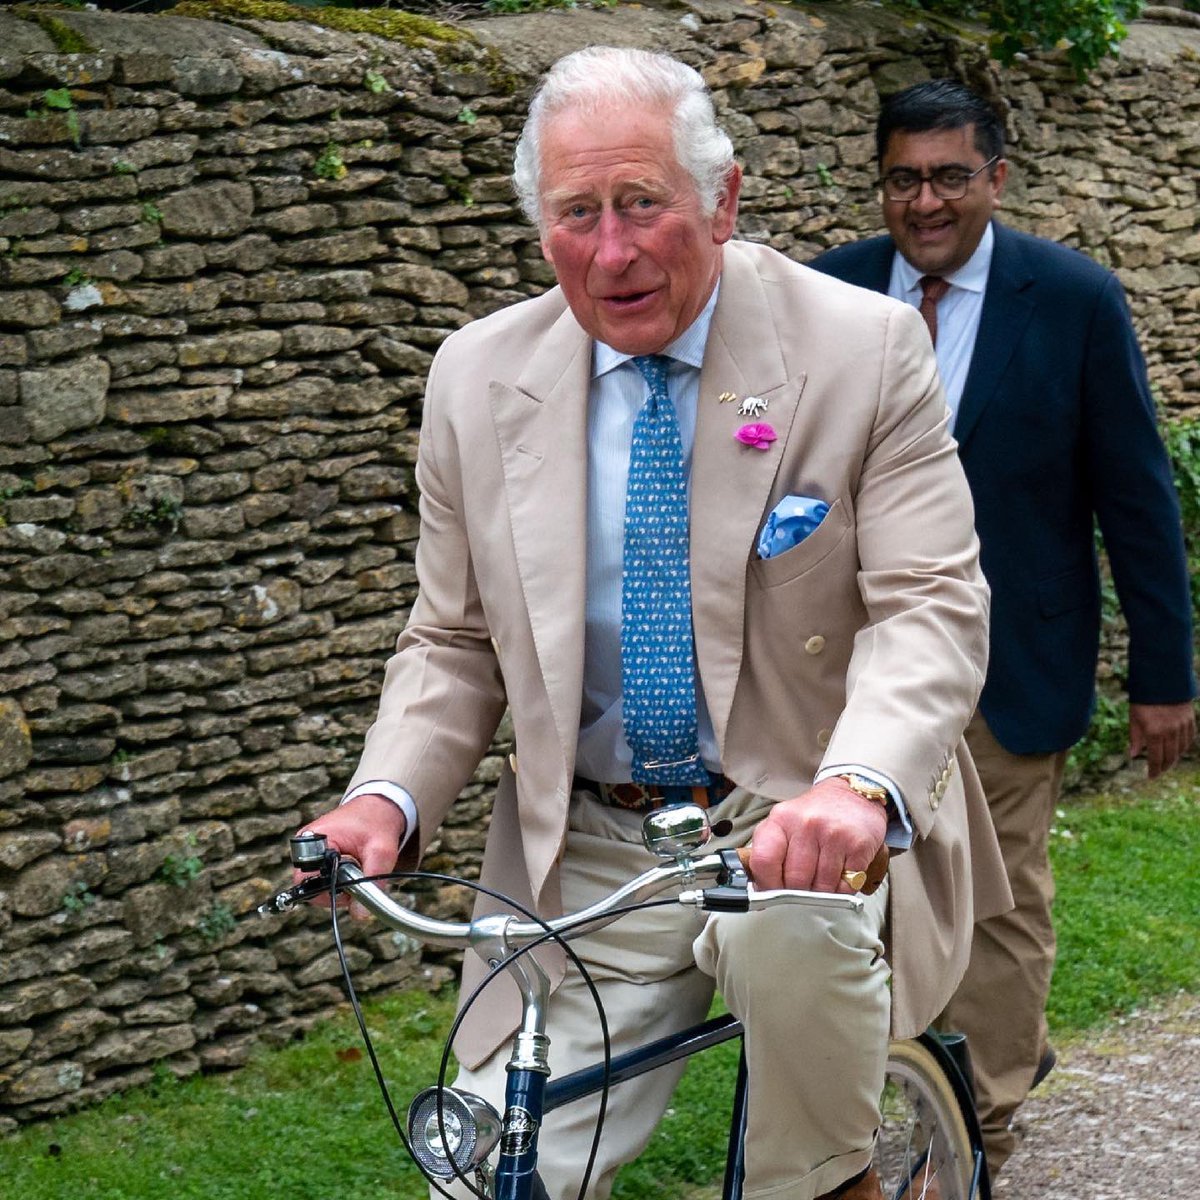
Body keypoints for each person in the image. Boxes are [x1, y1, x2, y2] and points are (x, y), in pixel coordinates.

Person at [298, 49, 1010, 1200]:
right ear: (541, 227)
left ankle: (833, 1182)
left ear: (722, 201)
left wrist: (857, 786)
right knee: (485, 1175)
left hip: (792, 821)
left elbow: (927, 603)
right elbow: (453, 639)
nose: (612, 251)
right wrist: (387, 797)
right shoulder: (475, 379)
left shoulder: (862, 350)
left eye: (642, 204)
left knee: (802, 1059)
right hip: (591, 848)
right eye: (577, 213)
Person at [810, 78, 1197, 1180]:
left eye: (948, 176)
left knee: (999, 899)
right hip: (854, 666)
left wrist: (1164, 676)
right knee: (849, 901)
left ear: (996, 178)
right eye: (902, 178)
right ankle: (863, 1122)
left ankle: (978, 1130)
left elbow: (1137, 497)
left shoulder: (1072, 300)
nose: (924, 201)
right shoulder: (830, 293)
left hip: (1013, 660)